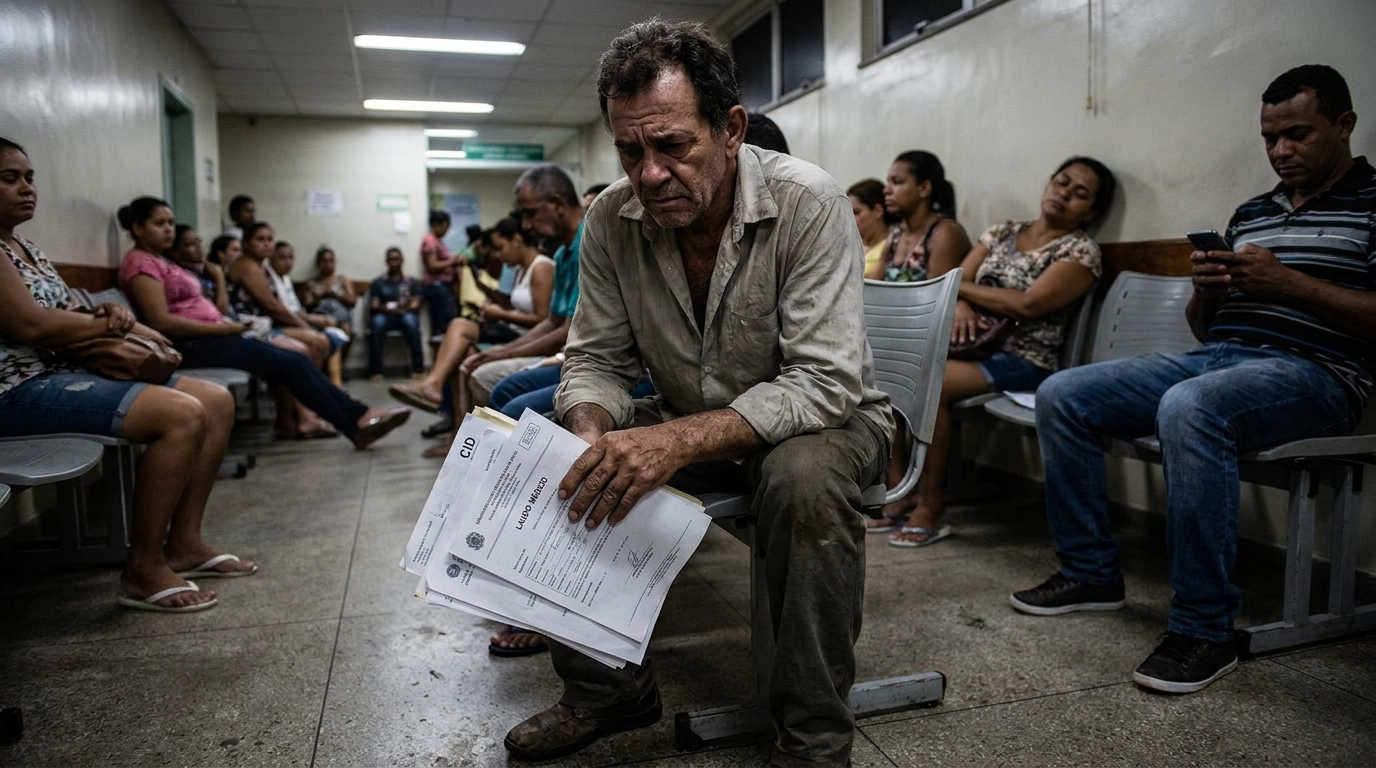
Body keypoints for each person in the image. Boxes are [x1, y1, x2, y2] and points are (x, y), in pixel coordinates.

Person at [501, 21, 894, 767]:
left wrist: (673, 440)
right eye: (629, 150)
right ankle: (607, 688)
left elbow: (823, 382)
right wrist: (588, 428)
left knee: (800, 478)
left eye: (672, 146)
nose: (648, 174)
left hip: (829, 424)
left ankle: (814, 737)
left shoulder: (808, 202)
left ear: (730, 129)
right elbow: (593, 362)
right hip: (695, 414)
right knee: (551, 449)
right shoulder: (611, 218)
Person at [1013, 64, 1376, 694]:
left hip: (1319, 374)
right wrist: (1208, 292)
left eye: (1298, 134)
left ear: (1344, 125)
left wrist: (1288, 283)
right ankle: (1091, 571)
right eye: (1269, 138)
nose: (1280, 151)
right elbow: (1208, 330)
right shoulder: (1254, 212)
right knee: (1063, 392)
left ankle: (1204, 628)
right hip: (1221, 356)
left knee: (1190, 406)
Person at [0, 141, 255, 612]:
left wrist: (113, 314)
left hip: (67, 367)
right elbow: (29, 325)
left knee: (216, 401)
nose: (26, 188)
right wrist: (102, 322)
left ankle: (184, 542)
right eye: (9, 178)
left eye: (29, 177)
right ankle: (143, 567)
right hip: (17, 390)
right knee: (180, 415)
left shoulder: (24, 247)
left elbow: (63, 311)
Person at [874, 156, 1114, 545]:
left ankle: (931, 507)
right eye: (1062, 182)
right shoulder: (1003, 231)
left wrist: (960, 291)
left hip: (1026, 358)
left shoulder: (1080, 252)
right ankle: (901, 486)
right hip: (973, 346)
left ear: (1093, 210)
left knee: (929, 384)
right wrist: (963, 303)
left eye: (1080, 193)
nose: (1064, 193)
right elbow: (956, 282)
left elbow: (1027, 305)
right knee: (890, 368)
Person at [117, 196, 410, 448]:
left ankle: (353, 418)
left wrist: (224, 310)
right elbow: (161, 322)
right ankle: (355, 419)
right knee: (291, 361)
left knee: (292, 357)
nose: (168, 229)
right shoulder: (141, 264)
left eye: (170, 222)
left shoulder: (163, 261)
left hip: (216, 334)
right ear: (137, 228)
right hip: (191, 344)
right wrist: (226, 328)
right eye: (159, 223)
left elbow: (206, 307)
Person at [388, 217, 555, 411]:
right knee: (463, 347)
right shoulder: (520, 270)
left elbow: (543, 319)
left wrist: (500, 314)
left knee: (462, 336)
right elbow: (515, 307)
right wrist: (490, 306)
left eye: (500, 247)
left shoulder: (542, 268)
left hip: (526, 337)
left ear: (516, 241)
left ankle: (434, 386)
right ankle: (454, 427)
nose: (498, 254)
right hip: (510, 330)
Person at [226, 221, 332, 365]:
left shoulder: (261, 266)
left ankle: (311, 385)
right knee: (313, 342)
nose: (267, 244)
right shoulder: (247, 266)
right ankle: (308, 387)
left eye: (270, 239)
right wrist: (303, 325)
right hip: (246, 329)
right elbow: (272, 306)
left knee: (319, 340)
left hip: (263, 324)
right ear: (246, 244)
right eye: (260, 240)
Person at [878, 150, 970, 283]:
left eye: (897, 182)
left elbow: (938, 297)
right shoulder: (896, 236)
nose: (886, 190)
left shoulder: (944, 234)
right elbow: (876, 286)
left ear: (924, 189)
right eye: (888, 182)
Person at [367, 247, 425, 378]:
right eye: (391, 259)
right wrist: (387, 308)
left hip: (405, 313)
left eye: (396, 259)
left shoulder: (411, 281)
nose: (394, 262)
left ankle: (418, 369)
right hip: (384, 315)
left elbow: (416, 303)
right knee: (377, 323)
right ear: (386, 262)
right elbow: (374, 304)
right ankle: (375, 371)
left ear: (402, 261)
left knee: (411, 321)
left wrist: (404, 308)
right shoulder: (379, 282)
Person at [167, 224, 228, 314]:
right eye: (190, 245)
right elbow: (220, 311)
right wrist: (219, 278)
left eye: (198, 242)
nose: (198, 247)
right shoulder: (182, 277)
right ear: (174, 251)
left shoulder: (202, 270)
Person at [420, 209, 459, 336]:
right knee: (443, 325)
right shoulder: (430, 240)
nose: (447, 231)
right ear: (436, 225)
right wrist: (453, 261)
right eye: (445, 227)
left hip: (443, 286)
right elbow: (432, 266)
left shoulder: (437, 241)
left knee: (447, 322)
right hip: (437, 287)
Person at [847, 179, 892, 278]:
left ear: (878, 211)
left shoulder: (891, 246)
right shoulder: (849, 246)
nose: (850, 219)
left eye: (856, 212)